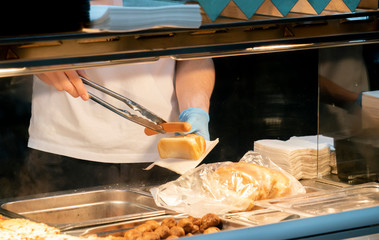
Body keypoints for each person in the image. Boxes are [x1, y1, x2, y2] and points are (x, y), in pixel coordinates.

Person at [19, 58, 215, 195]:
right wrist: (34, 53)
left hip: (166, 159)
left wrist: (195, 111)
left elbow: (194, 54)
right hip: (65, 147)